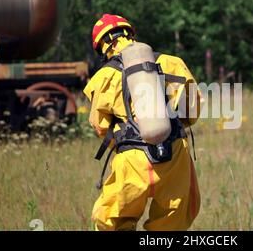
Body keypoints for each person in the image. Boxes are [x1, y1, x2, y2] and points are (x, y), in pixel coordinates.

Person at [83, 14, 201, 231]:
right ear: (130, 34)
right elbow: (191, 112)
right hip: (174, 153)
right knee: (171, 224)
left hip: (131, 159)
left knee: (113, 221)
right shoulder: (172, 63)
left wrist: (124, 145)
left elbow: (100, 125)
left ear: (102, 46)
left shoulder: (102, 77)